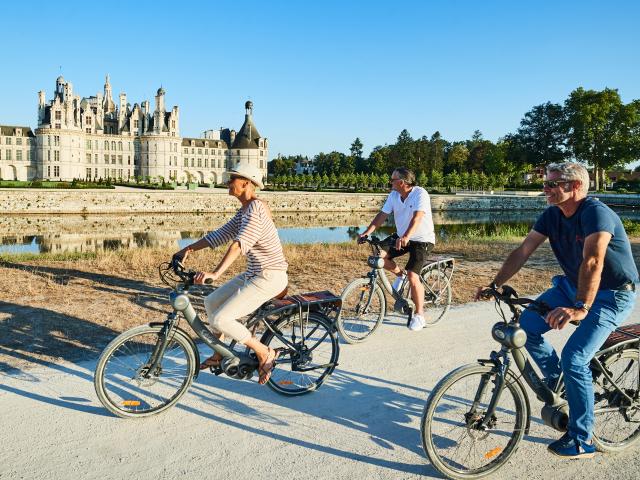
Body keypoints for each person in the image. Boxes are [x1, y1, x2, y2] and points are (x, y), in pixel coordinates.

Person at [476, 161, 638, 458]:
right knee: (525, 328)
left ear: (575, 186)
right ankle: (559, 382)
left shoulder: (596, 213)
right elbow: (523, 250)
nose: (545, 189)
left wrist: (581, 307)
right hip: (571, 286)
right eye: (545, 183)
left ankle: (583, 438)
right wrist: (495, 284)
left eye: (552, 184)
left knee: (575, 358)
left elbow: (593, 261)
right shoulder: (552, 214)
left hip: (611, 294)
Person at [173, 162, 288, 385]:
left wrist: (215, 274)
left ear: (246, 183)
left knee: (221, 318)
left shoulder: (256, 209)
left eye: (232, 178)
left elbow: (238, 244)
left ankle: (265, 352)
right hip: (254, 274)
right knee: (211, 303)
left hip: (270, 276)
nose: (228, 182)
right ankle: (220, 353)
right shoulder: (244, 210)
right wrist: (187, 249)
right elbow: (220, 235)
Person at [358, 167, 436, 330]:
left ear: (401, 182)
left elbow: (417, 218)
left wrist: (406, 236)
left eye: (392, 179)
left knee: (414, 276)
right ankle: (401, 276)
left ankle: (420, 315)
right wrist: (366, 232)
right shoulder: (394, 195)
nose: (390, 182)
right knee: (380, 256)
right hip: (402, 236)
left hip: (422, 239)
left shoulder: (420, 194)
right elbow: (382, 216)